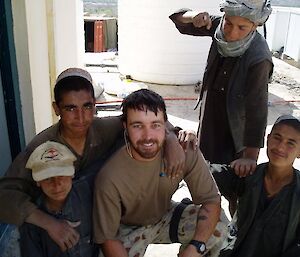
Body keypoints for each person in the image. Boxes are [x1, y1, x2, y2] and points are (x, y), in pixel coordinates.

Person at [0, 68, 185, 251]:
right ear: (56, 109)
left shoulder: (103, 128)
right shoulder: (42, 146)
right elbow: (5, 194)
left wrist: (170, 138)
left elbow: (145, 118)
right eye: (70, 108)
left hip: (102, 215)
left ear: (95, 106)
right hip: (57, 222)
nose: (80, 117)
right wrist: (49, 224)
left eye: (87, 106)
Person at [93, 89, 223, 257]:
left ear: (166, 125)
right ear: (125, 127)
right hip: (128, 228)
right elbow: (107, 238)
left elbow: (211, 200)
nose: (148, 136)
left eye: (155, 125)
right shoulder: (109, 177)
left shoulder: (185, 150)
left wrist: (195, 248)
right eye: (138, 126)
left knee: (219, 226)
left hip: (165, 216)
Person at [169, 0, 273, 178]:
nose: (232, 33)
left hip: (235, 129)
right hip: (210, 115)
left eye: (242, 28)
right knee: (204, 170)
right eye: (229, 23)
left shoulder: (259, 58)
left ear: (255, 26)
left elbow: (257, 109)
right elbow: (179, 21)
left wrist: (250, 157)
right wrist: (193, 16)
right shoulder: (218, 26)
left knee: (231, 178)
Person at [210, 114, 300, 257]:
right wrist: (186, 139)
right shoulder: (249, 175)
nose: (281, 146)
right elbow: (206, 172)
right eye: (277, 137)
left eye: (291, 143)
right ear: (268, 139)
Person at [20, 141, 98, 257]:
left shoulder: (88, 191)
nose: (57, 185)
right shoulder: (32, 224)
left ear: (72, 174)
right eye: (47, 179)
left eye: (62, 176)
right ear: (37, 181)